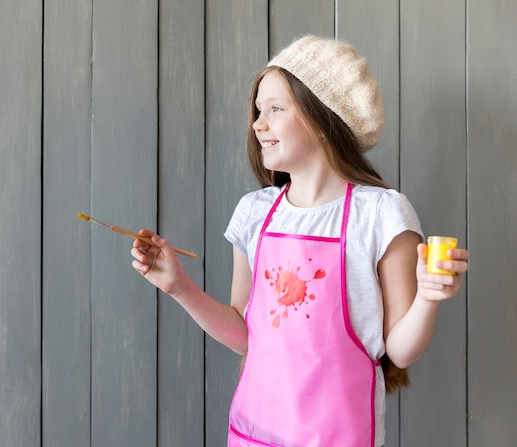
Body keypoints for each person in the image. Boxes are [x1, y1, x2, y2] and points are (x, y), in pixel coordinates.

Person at [130, 34, 469, 447]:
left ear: (323, 119)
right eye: (258, 111)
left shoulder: (381, 214)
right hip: (254, 433)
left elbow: (400, 351)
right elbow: (244, 335)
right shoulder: (254, 212)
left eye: (275, 109)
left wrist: (429, 296)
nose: (258, 124)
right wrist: (178, 286)